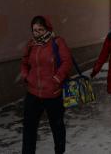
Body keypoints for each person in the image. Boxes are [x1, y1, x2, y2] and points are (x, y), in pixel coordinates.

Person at [20, 16, 72, 154]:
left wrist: (56, 79)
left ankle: (59, 151)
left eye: (40, 30)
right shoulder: (31, 44)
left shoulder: (57, 42)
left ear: (48, 29)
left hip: (53, 94)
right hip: (33, 94)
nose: (37, 33)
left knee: (57, 128)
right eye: (34, 30)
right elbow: (24, 62)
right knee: (29, 129)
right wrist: (26, 76)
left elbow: (67, 62)